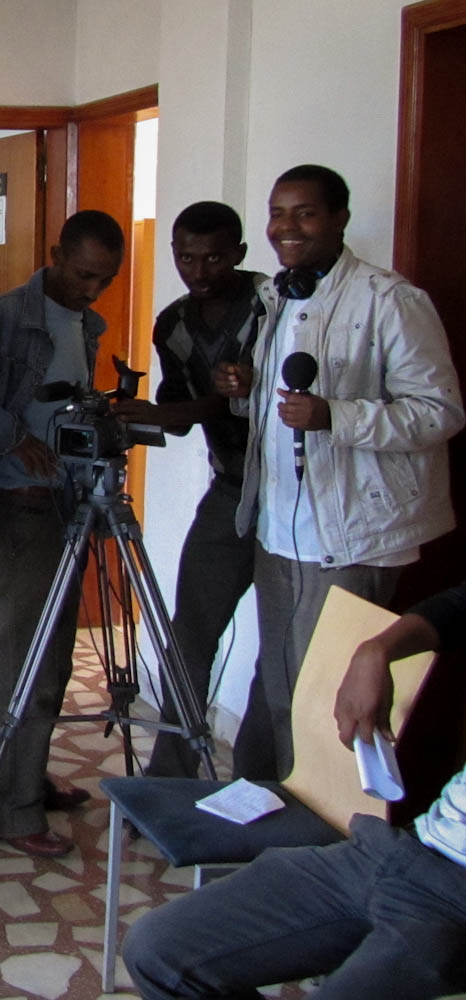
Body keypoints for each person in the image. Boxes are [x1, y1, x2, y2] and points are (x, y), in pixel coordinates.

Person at [215, 164, 464, 781]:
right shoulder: (279, 296)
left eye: (304, 213)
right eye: (277, 213)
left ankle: (325, 843)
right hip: (279, 528)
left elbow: (440, 412)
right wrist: (245, 391)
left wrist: (337, 416)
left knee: (333, 700)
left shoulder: (391, 301)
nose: (286, 227)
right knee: (280, 685)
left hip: (354, 535)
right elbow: (282, 415)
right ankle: (272, 824)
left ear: (339, 220)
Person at [122, 578, 466, 1000]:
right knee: (158, 950)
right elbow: (455, 604)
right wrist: (375, 650)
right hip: (406, 847)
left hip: (452, 899)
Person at [0, 209, 125, 858]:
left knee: (56, 653)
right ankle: (8, 811)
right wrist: (12, 438)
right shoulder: (6, 316)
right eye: (83, 273)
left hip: (67, 503)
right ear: (54, 254)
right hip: (19, 504)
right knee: (24, 653)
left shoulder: (84, 322)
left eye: (105, 278)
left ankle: (27, 777)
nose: (92, 289)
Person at [114, 201, 265, 777]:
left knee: (279, 655)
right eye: (185, 257)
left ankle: (259, 781)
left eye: (214, 257)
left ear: (240, 255)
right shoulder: (174, 323)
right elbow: (181, 419)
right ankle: (170, 775)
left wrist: (186, 407)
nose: (198, 271)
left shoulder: (275, 306)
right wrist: (141, 415)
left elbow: (257, 405)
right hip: (228, 490)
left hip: (293, 496)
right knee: (189, 635)